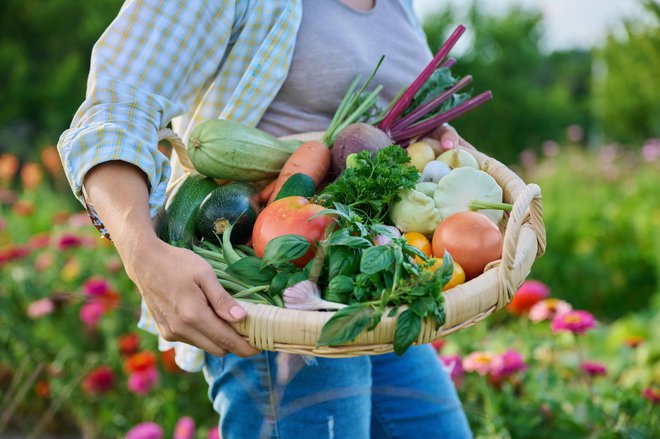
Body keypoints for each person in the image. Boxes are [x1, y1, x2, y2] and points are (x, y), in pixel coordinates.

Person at [58, 0, 474, 437]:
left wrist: (435, 138)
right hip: (274, 288)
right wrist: (142, 252)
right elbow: (114, 109)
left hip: (370, 275)